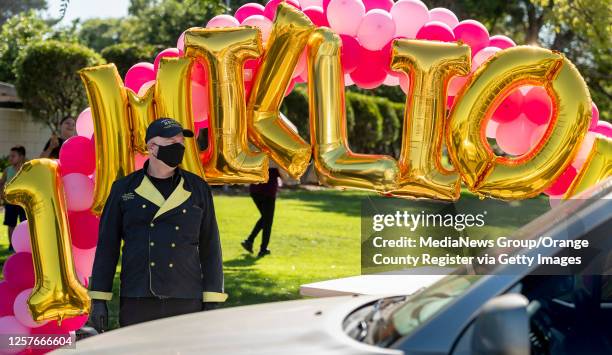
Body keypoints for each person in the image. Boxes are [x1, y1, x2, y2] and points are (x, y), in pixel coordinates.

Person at [87, 117, 226, 332]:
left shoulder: (197, 188)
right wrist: (98, 300)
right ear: (152, 147)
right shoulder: (124, 189)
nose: (179, 148)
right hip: (138, 295)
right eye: (172, 143)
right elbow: (108, 246)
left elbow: (211, 247)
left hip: (185, 294)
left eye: (181, 142)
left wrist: (213, 299)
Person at [241, 167, 280, 257]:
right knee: (267, 221)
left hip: (255, 190)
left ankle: (249, 241)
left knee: (265, 218)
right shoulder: (275, 157)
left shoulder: (260, 154)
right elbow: (285, 177)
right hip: (268, 192)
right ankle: (263, 249)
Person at [0, 146, 27, 252]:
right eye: (10, 156)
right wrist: (2, 194)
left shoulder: (25, 170)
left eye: (13, 156)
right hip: (10, 202)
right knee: (11, 224)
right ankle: (11, 245)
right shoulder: (7, 170)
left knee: (24, 224)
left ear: (21, 157)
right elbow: (2, 183)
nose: (10, 158)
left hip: (23, 203)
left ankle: (24, 244)